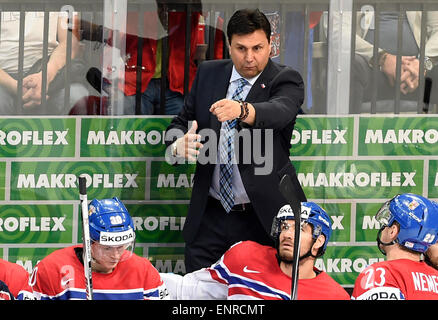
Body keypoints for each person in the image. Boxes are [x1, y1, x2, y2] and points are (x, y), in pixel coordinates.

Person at [164, 8, 307, 273]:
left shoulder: (285, 79)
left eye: (258, 48)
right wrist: (176, 146)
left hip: (262, 216)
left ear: (270, 45)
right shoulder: (208, 73)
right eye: (241, 48)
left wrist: (242, 110)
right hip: (210, 215)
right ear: (229, 46)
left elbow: (280, 111)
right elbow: (180, 123)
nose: (250, 57)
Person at [160, 202, 350, 300]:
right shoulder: (246, 256)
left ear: (319, 241)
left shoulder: (334, 295)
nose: (288, 234)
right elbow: (188, 291)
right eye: (284, 227)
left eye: (299, 228)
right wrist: (140, 276)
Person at [29, 197, 169, 300]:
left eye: (121, 247)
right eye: (107, 248)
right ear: (88, 242)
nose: (115, 255)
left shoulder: (144, 271)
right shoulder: (51, 269)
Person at [0, 11, 90, 115]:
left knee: (78, 98)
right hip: (4, 77)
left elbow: (70, 42)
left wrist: (45, 77)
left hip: (50, 71)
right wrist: (14, 86)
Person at [351, 193, 438, 300]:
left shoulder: (379, 275)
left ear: (393, 231)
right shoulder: (435, 278)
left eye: (387, 221)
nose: (383, 227)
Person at [351, 10, 438, 113]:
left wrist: (422, 63)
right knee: (350, 66)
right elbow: (339, 29)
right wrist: (382, 58)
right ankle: (346, 127)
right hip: (370, 70)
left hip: (418, 73)